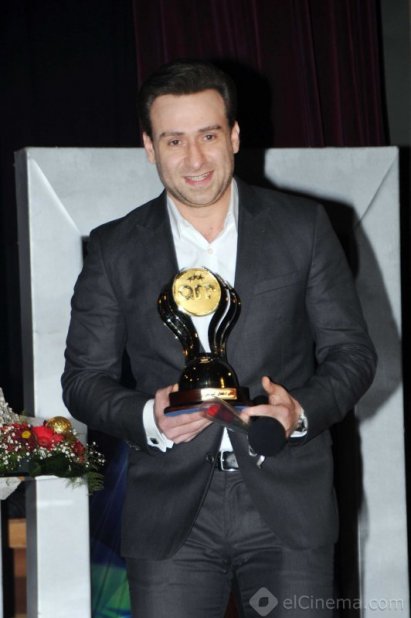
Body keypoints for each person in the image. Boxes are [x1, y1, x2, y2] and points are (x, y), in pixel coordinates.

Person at [62, 60, 377, 617]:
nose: (195, 159)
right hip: (170, 513)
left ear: (233, 135)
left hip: (289, 502)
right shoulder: (114, 249)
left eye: (208, 136)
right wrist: (147, 417)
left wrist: (300, 411)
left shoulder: (302, 228)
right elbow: (83, 380)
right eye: (174, 140)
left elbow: (351, 354)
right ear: (149, 147)